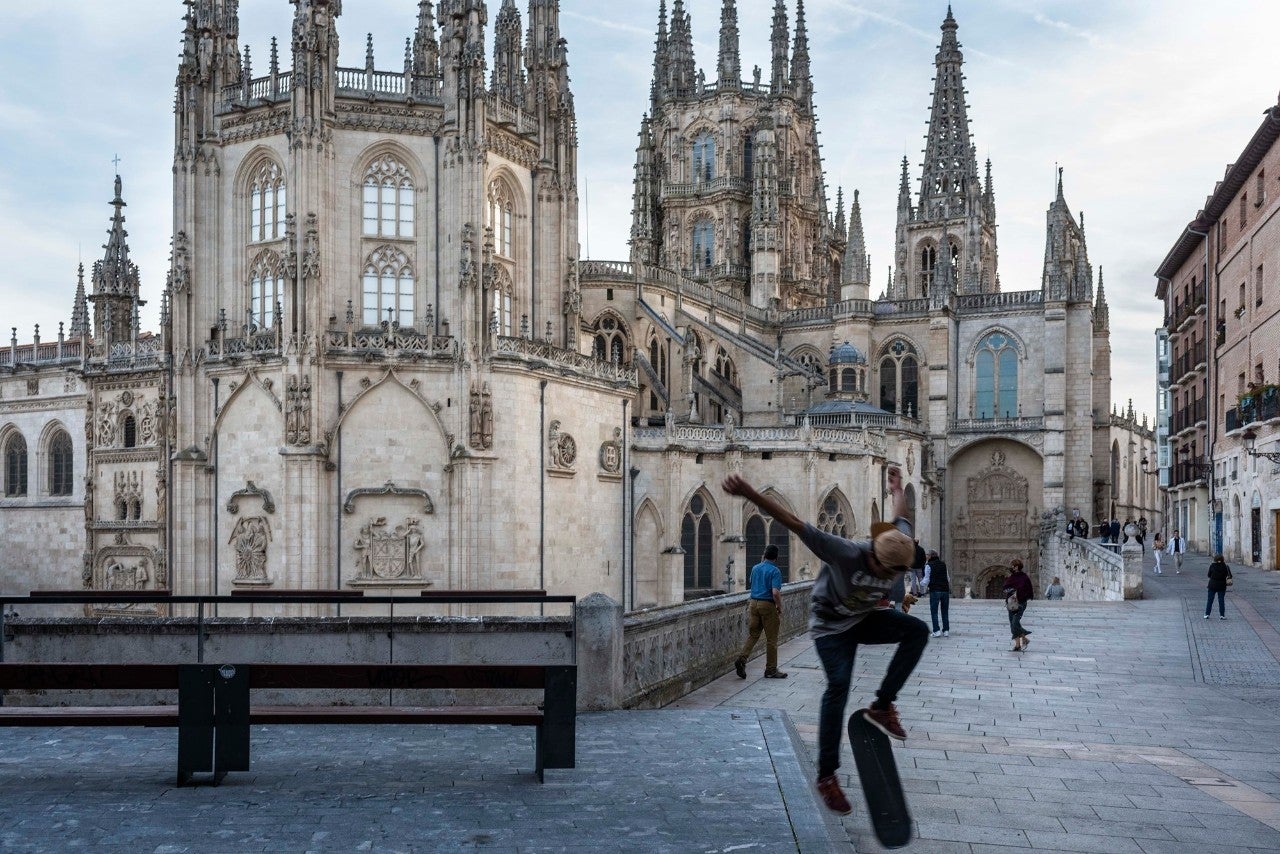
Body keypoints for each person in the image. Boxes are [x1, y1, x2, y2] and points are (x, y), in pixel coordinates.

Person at [722, 466, 928, 816]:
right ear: (876, 558)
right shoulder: (844, 551)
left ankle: (882, 705)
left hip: (863, 619)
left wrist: (895, 489)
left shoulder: (896, 543)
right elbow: (793, 522)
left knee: (917, 631)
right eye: (891, 573)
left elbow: (901, 516)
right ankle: (826, 775)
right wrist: (749, 493)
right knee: (838, 686)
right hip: (831, 627)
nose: (893, 579)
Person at [734, 544, 787, 679]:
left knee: (753, 635)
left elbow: (752, 582)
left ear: (764, 555)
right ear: (776, 557)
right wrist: (779, 606)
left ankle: (742, 659)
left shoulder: (755, 568)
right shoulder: (775, 571)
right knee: (771, 639)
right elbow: (775, 592)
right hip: (767, 605)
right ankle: (771, 670)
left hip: (753, 604)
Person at [1003, 558, 1034, 651]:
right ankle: (1019, 644)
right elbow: (1005, 587)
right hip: (1011, 603)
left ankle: (1023, 639)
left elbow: (1028, 589)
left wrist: (1022, 596)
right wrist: (1012, 591)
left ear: (1016, 567)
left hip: (1021, 603)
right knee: (1012, 624)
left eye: (1012, 566)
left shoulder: (1024, 577)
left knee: (1015, 623)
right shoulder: (1011, 577)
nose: (1011, 567)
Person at [923, 549, 950, 637]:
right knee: (945, 611)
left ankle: (936, 631)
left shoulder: (928, 565)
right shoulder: (943, 564)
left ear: (930, 556)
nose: (926, 556)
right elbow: (948, 578)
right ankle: (946, 631)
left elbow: (926, 579)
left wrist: (921, 583)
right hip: (945, 590)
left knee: (934, 611)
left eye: (927, 555)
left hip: (935, 590)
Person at [1205, 554, 1233, 620]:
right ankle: (1222, 615)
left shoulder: (1212, 566)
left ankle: (1207, 614)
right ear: (1222, 559)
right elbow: (1229, 575)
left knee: (1210, 600)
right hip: (1222, 585)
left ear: (1215, 559)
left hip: (1212, 585)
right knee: (1221, 600)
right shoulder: (1225, 566)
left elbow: (1209, 575)